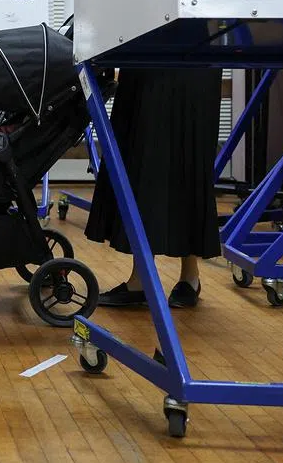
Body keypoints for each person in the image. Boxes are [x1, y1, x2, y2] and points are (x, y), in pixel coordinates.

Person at [84, 66, 223, 308]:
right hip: (144, 55)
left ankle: (190, 276)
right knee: (141, 161)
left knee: (187, 158)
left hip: (196, 56)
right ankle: (140, 279)